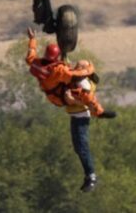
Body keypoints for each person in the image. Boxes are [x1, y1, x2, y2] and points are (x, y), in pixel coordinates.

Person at [25, 27, 116, 192]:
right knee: (78, 145)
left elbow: (31, 57)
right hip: (76, 107)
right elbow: (80, 84)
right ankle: (90, 174)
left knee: (81, 146)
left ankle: (91, 176)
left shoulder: (40, 66)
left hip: (78, 112)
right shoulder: (62, 72)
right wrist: (90, 71)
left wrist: (32, 39)